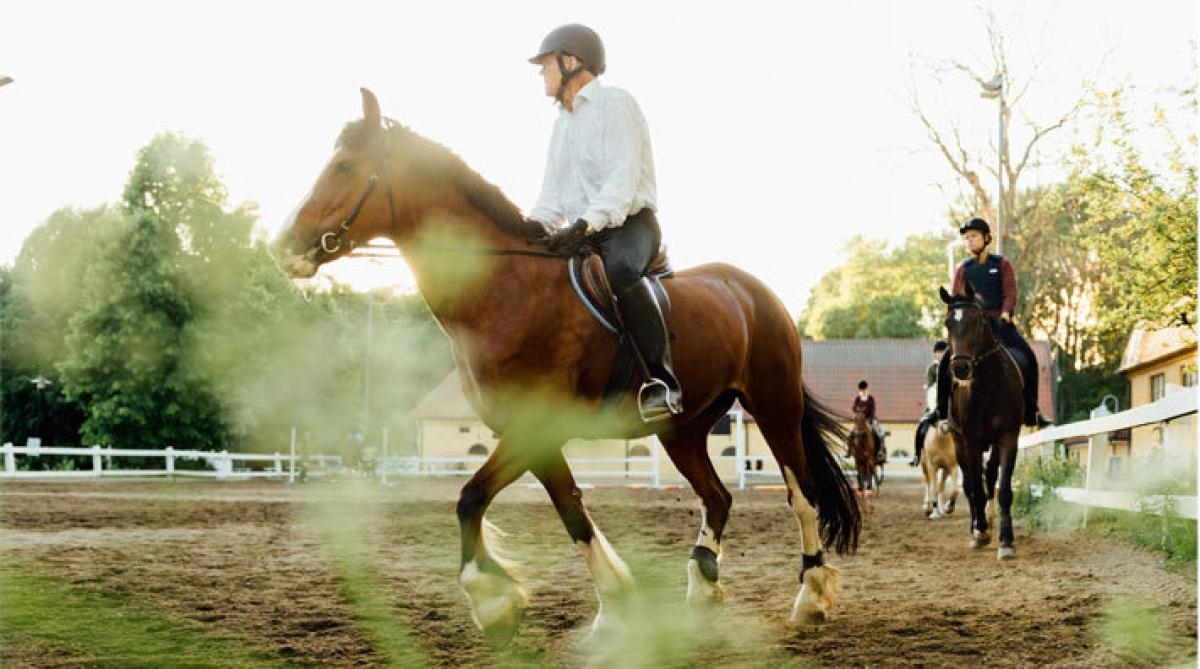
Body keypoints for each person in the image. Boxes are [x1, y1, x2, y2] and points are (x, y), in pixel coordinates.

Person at [526, 23, 681, 422]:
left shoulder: (616, 104)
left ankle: (662, 382)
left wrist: (583, 224)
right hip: (585, 231)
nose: (542, 73)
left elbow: (622, 179)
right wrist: (532, 228)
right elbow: (551, 195)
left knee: (619, 270)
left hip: (630, 225)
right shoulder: (561, 124)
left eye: (546, 65)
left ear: (571, 62)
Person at [936, 218, 1052, 428]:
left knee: (1029, 356)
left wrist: (1007, 312)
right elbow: (955, 299)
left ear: (986, 238)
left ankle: (1032, 411)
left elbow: (1010, 292)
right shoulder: (963, 269)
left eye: (973, 236)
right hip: (972, 327)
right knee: (945, 361)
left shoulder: (1001, 264)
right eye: (967, 238)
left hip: (998, 322)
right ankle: (941, 412)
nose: (969, 241)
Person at [911, 341, 948, 466]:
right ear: (935, 354)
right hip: (935, 403)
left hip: (951, 405)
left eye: (943, 352)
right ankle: (917, 455)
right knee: (921, 428)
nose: (941, 355)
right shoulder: (932, 368)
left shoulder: (951, 366)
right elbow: (931, 389)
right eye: (939, 352)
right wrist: (934, 408)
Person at [850, 380, 887, 462]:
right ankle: (849, 451)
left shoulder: (870, 398)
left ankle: (880, 450)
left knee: (879, 431)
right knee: (852, 432)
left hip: (870, 419)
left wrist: (870, 418)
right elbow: (854, 408)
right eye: (861, 389)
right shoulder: (857, 398)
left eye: (864, 389)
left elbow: (873, 409)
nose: (862, 391)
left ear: (866, 389)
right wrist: (857, 410)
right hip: (860, 421)